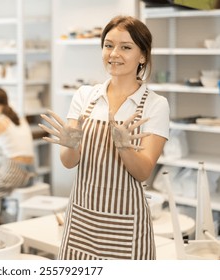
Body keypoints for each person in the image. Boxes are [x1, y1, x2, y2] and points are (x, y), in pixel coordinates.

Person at [39, 15, 170, 260]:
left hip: (126, 223)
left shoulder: (155, 104)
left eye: (126, 47)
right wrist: (70, 145)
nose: (114, 54)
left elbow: (143, 172)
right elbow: (68, 162)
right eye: (108, 45)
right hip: (82, 220)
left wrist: (124, 147)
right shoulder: (85, 95)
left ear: (143, 56)